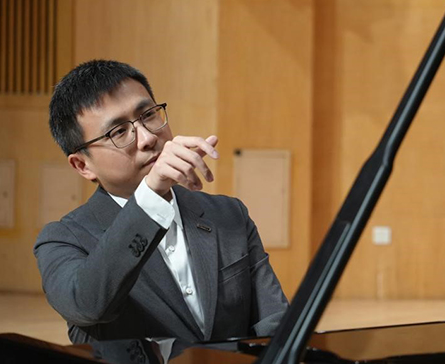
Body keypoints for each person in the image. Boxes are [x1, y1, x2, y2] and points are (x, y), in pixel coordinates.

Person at [34, 59, 288, 344]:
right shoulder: (63, 239)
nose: (147, 138)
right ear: (83, 165)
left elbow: (274, 322)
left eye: (149, 115)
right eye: (118, 132)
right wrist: (150, 194)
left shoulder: (229, 214)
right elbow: (88, 304)